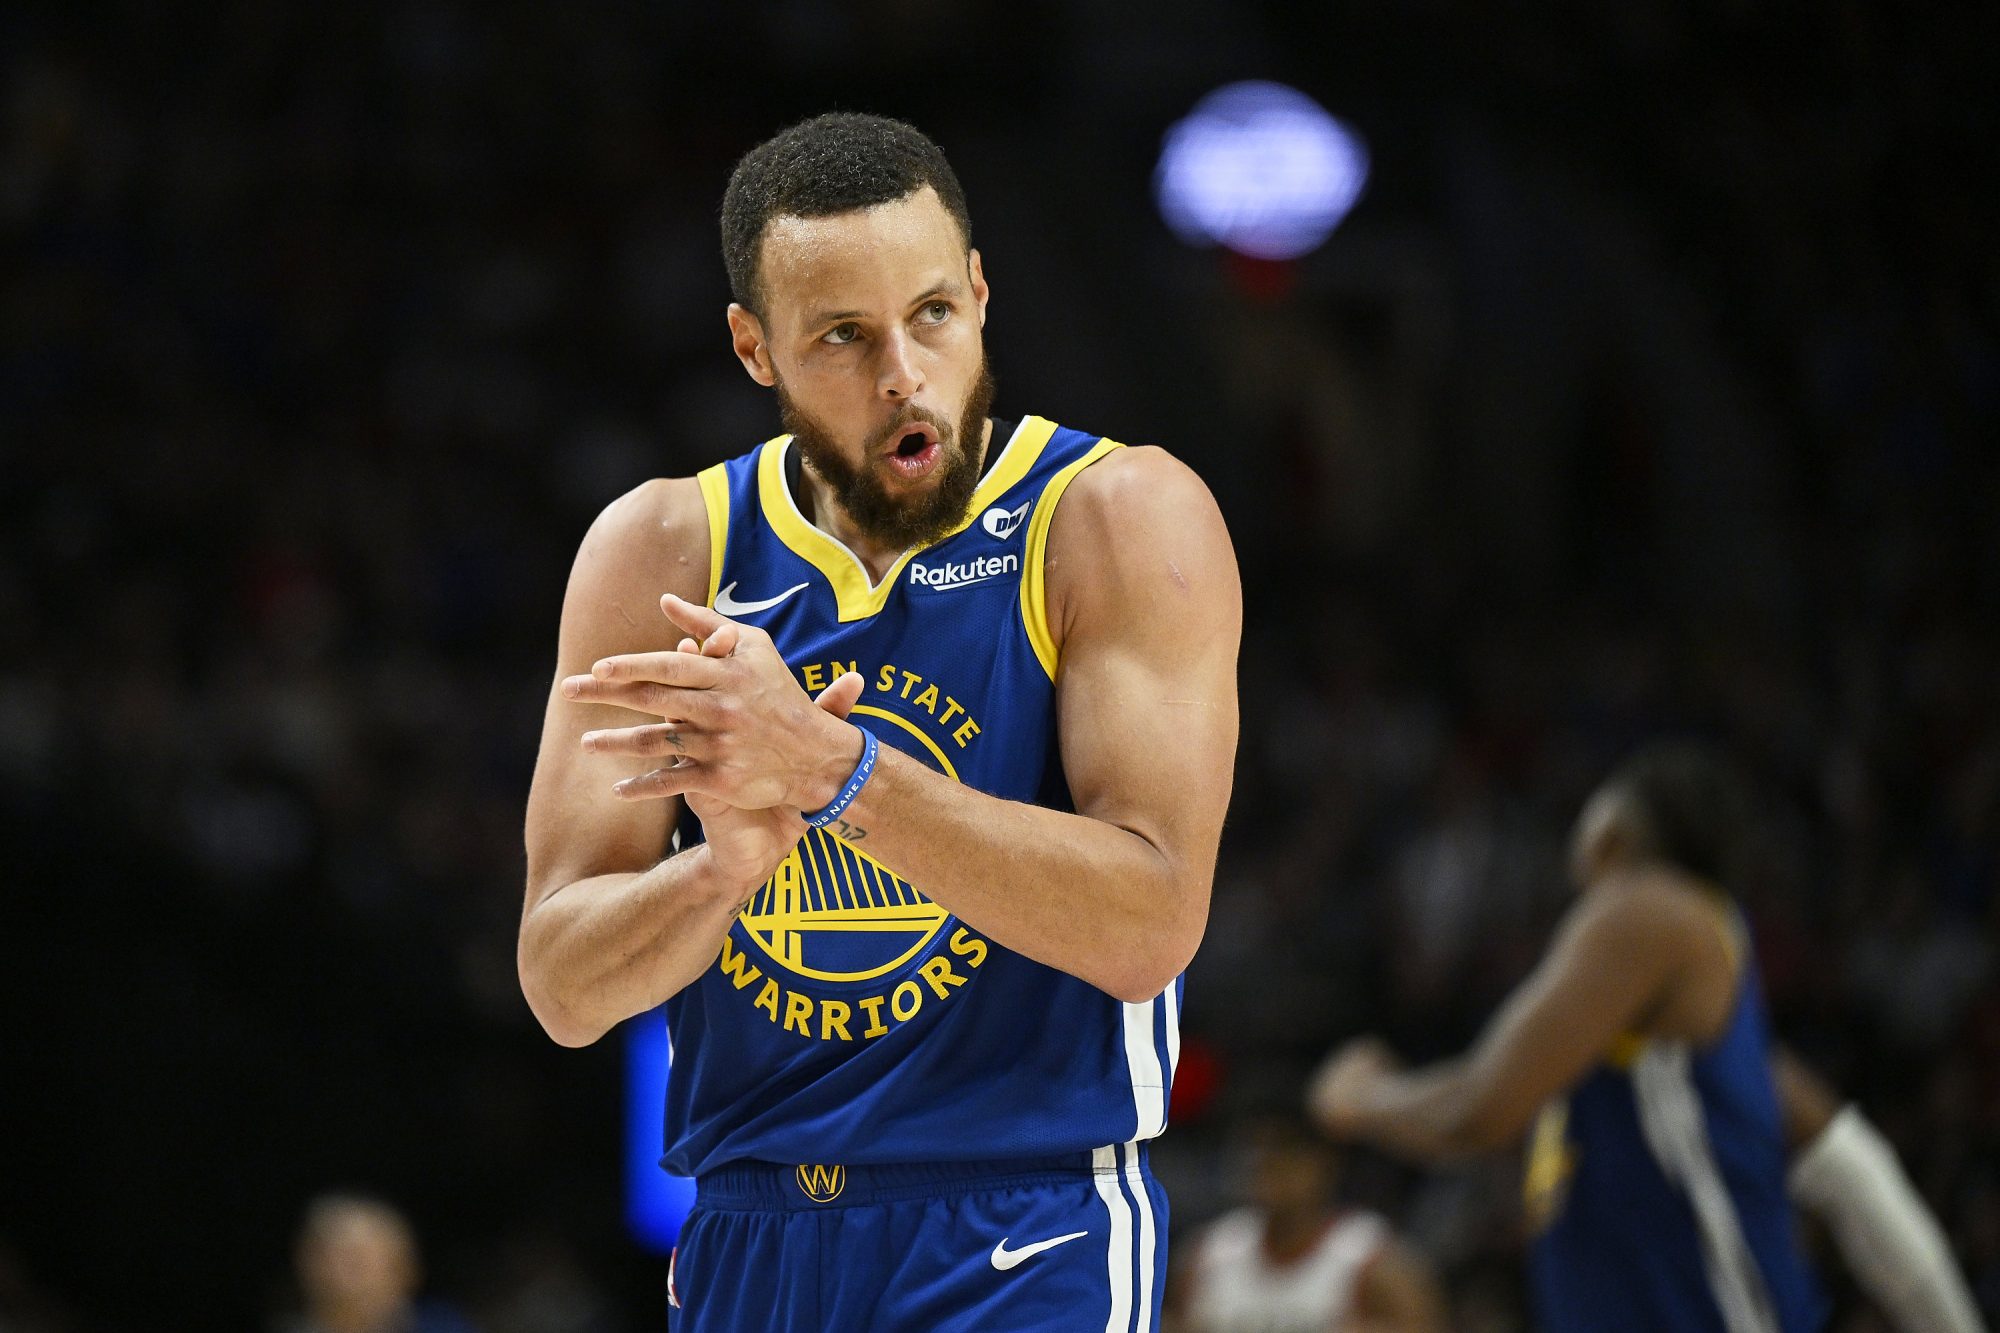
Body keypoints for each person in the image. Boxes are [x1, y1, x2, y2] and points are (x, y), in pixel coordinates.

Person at [518, 113, 1241, 1332]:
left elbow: (1150, 922)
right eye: (843, 337)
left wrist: (832, 770)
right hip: (747, 1233)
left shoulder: (1114, 516)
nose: (903, 372)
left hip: (1023, 1230)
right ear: (755, 350)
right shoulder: (661, 549)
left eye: (931, 315)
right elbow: (564, 983)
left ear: (978, 292)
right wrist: (720, 878)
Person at [1310, 743, 1987, 1333]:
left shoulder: (1646, 905)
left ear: (1616, 828)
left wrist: (1360, 1096)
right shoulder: (1690, 1034)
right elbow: (1851, 1166)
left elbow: (1476, 1110)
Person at [1167, 1114, 1445, 1333]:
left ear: (1323, 1164)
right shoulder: (1208, 1252)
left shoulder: (1370, 1257)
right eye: (1254, 1149)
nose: (1265, 1162)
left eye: (1284, 1151)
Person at [276, 1194, 476, 1333]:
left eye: (357, 1261)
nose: (338, 1275)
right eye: (326, 1257)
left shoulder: (444, 1327)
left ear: (404, 1269)